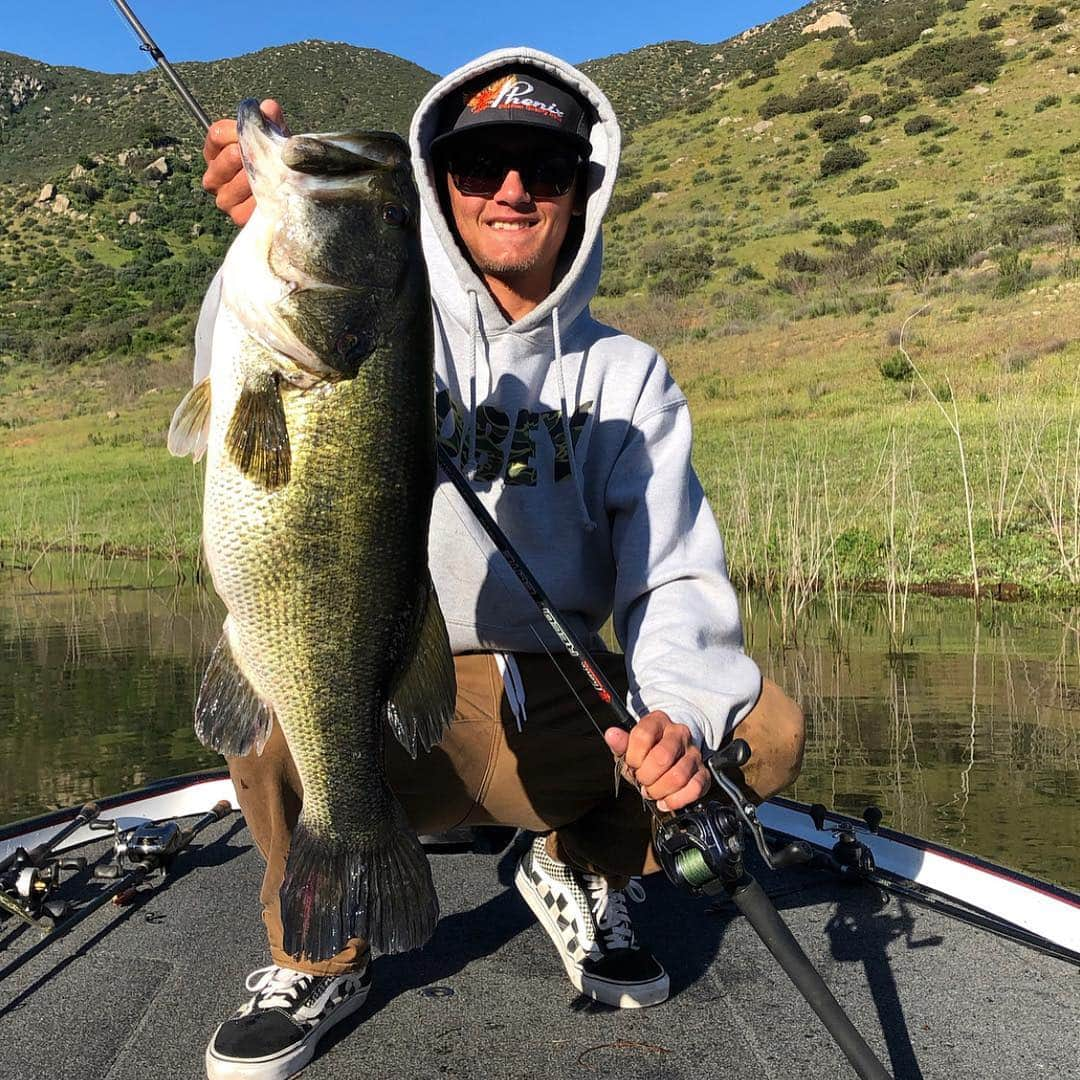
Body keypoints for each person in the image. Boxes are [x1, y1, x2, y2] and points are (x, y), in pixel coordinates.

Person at [197, 47, 805, 1080]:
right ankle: (317, 947)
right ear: (441, 188)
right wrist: (260, 229)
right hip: (400, 690)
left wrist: (681, 718)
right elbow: (250, 354)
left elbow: (675, 579)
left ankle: (583, 867)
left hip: (559, 706)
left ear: (583, 190)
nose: (513, 189)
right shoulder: (380, 316)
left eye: (545, 166)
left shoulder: (628, 376)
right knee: (271, 678)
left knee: (762, 726)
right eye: (481, 166)